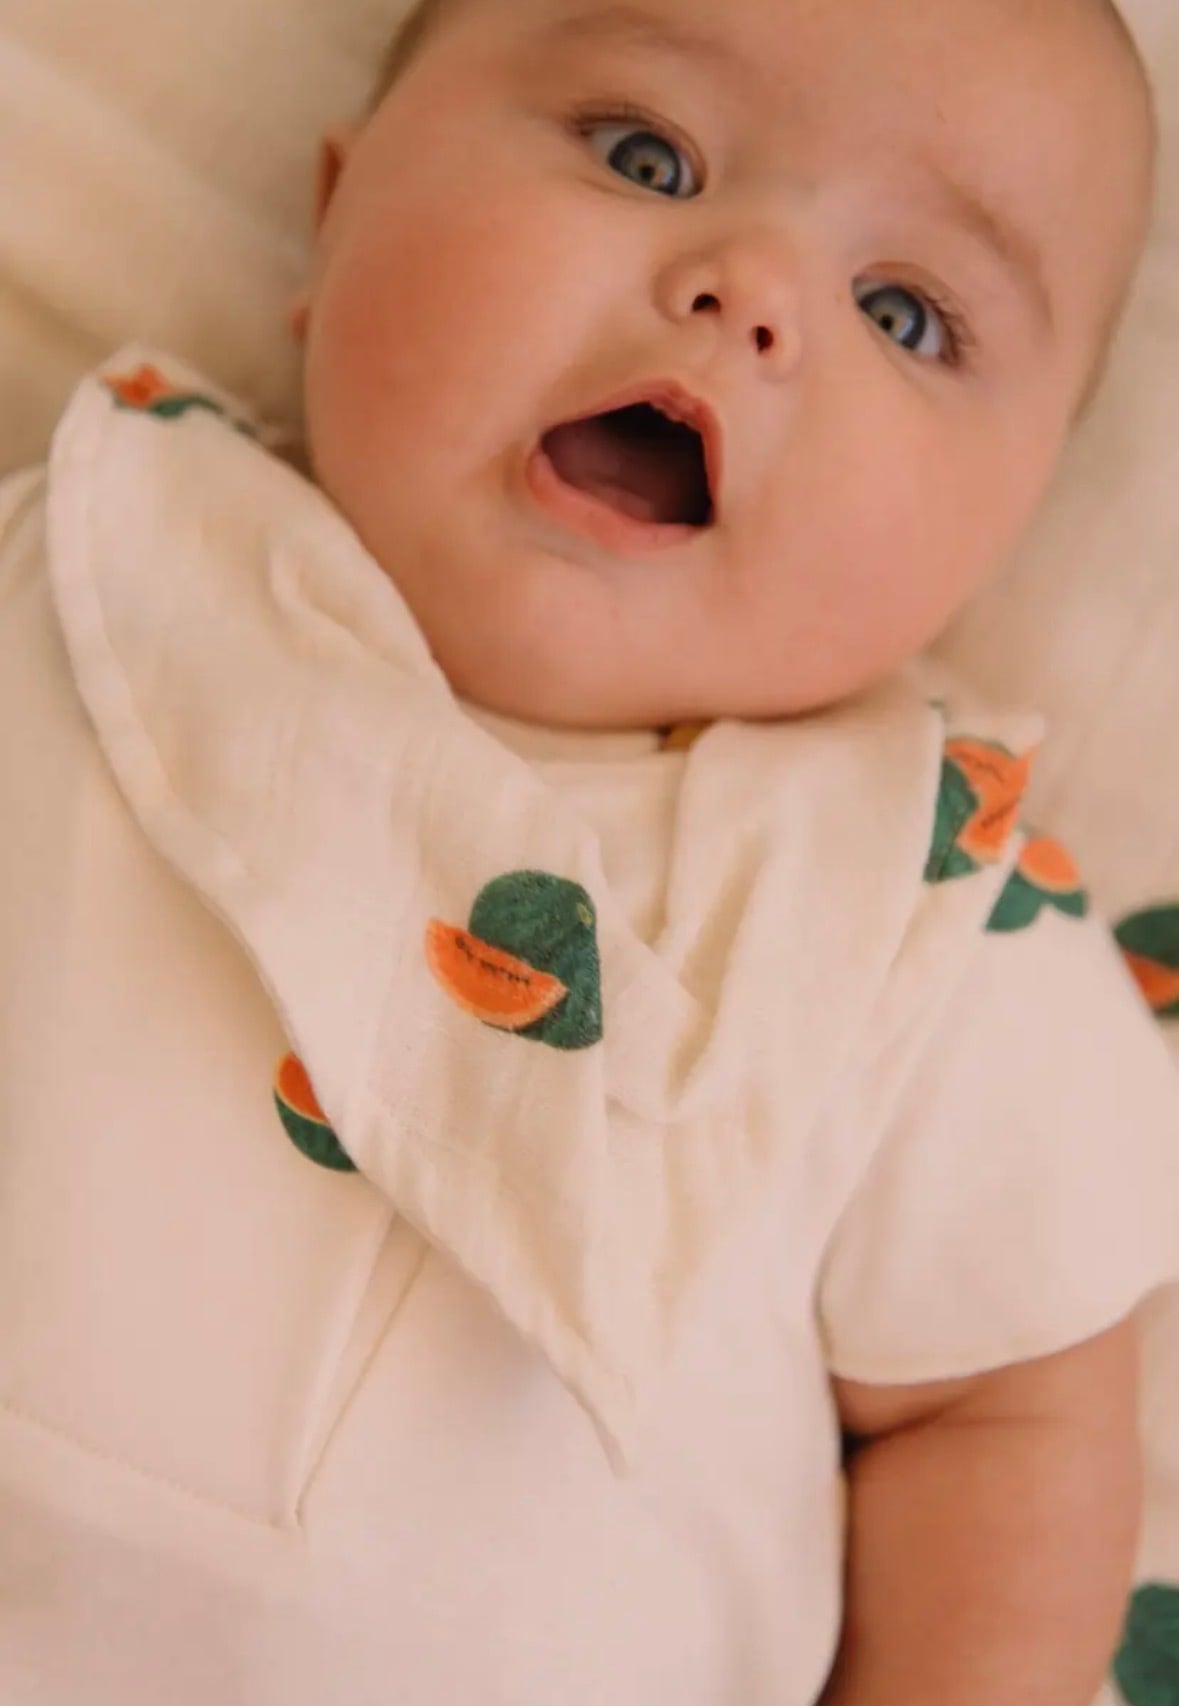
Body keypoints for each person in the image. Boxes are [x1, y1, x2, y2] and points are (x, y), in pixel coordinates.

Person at [0, 1, 1176, 1702]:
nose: (749, 288)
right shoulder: (88, 557)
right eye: (647, 155)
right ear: (337, 217)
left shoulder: (921, 914)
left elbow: (1000, 1413)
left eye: (905, 315)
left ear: (1007, 522)